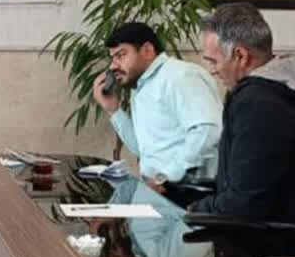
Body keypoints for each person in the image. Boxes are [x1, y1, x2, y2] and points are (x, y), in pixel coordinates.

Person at [188, 2, 295, 223]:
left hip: (266, 235)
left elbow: (242, 206)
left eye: (214, 61)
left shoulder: (257, 103)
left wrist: (191, 210)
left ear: (240, 56)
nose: (212, 71)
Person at [90, 21, 223, 194]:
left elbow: (208, 131)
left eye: (121, 55)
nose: (113, 66)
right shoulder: (141, 87)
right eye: (112, 58)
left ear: (147, 50)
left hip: (187, 192)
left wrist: (165, 177)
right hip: (160, 188)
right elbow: (145, 149)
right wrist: (114, 110)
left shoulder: (180, 76)